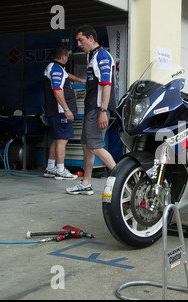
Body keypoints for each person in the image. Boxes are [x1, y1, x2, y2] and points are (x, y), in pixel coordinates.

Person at [66, 25, 117, 196]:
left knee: (94, 147)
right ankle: (86, 183)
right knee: (87, 145)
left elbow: (106, 85)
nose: (79, 44)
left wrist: (103, 110)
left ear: (90, 38)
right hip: (92, 110)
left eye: (81, 40)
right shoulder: (93, 56)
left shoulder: (102, 56)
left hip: (98, 109)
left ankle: (125, 178)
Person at [43, 45, 85, 180]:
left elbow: (65, 75)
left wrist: (79, 79)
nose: (67, 59)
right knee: (62, 140)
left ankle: (50, 168)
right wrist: (66, 110)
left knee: (57, 139)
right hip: (60, 111)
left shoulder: (55, 68)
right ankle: (60, 169)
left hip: (55, 111)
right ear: (63, 57)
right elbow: (57, 90)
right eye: (67, 56)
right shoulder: (56, 69)